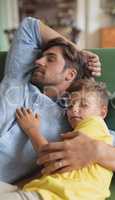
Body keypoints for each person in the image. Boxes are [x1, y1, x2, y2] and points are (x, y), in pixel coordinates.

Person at [0, 17, 101, 183]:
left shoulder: (71, 121)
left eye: (50, 58)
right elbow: (30, 26)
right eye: (41, 56)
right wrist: (79, 52)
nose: (38, 61)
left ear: (70, 74)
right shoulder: (17, 81)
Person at [0, 78, 113, 200]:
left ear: (102, 112)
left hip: (56, 195)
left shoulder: (94, 123)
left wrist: (32, 129)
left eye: (84, 104)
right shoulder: (83, 133)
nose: (74, 109)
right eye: (70, 105)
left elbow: (53, 161)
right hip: (44, 191)